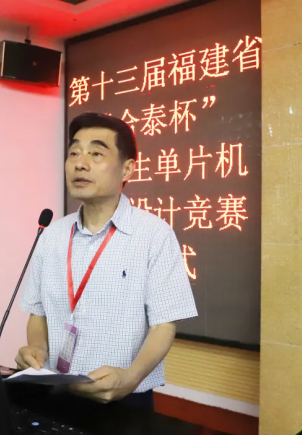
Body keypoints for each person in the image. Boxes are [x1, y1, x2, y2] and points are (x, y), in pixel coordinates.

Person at [16, 112, 197, 411]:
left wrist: (130, 378)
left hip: (124, 397)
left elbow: (163, 325)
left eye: (96, 154)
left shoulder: (154, 234)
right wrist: (36, 348)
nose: (80, 163)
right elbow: (38, 313)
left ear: (127, 169)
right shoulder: (52, 235)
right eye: (74, 153)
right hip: (56, 390)